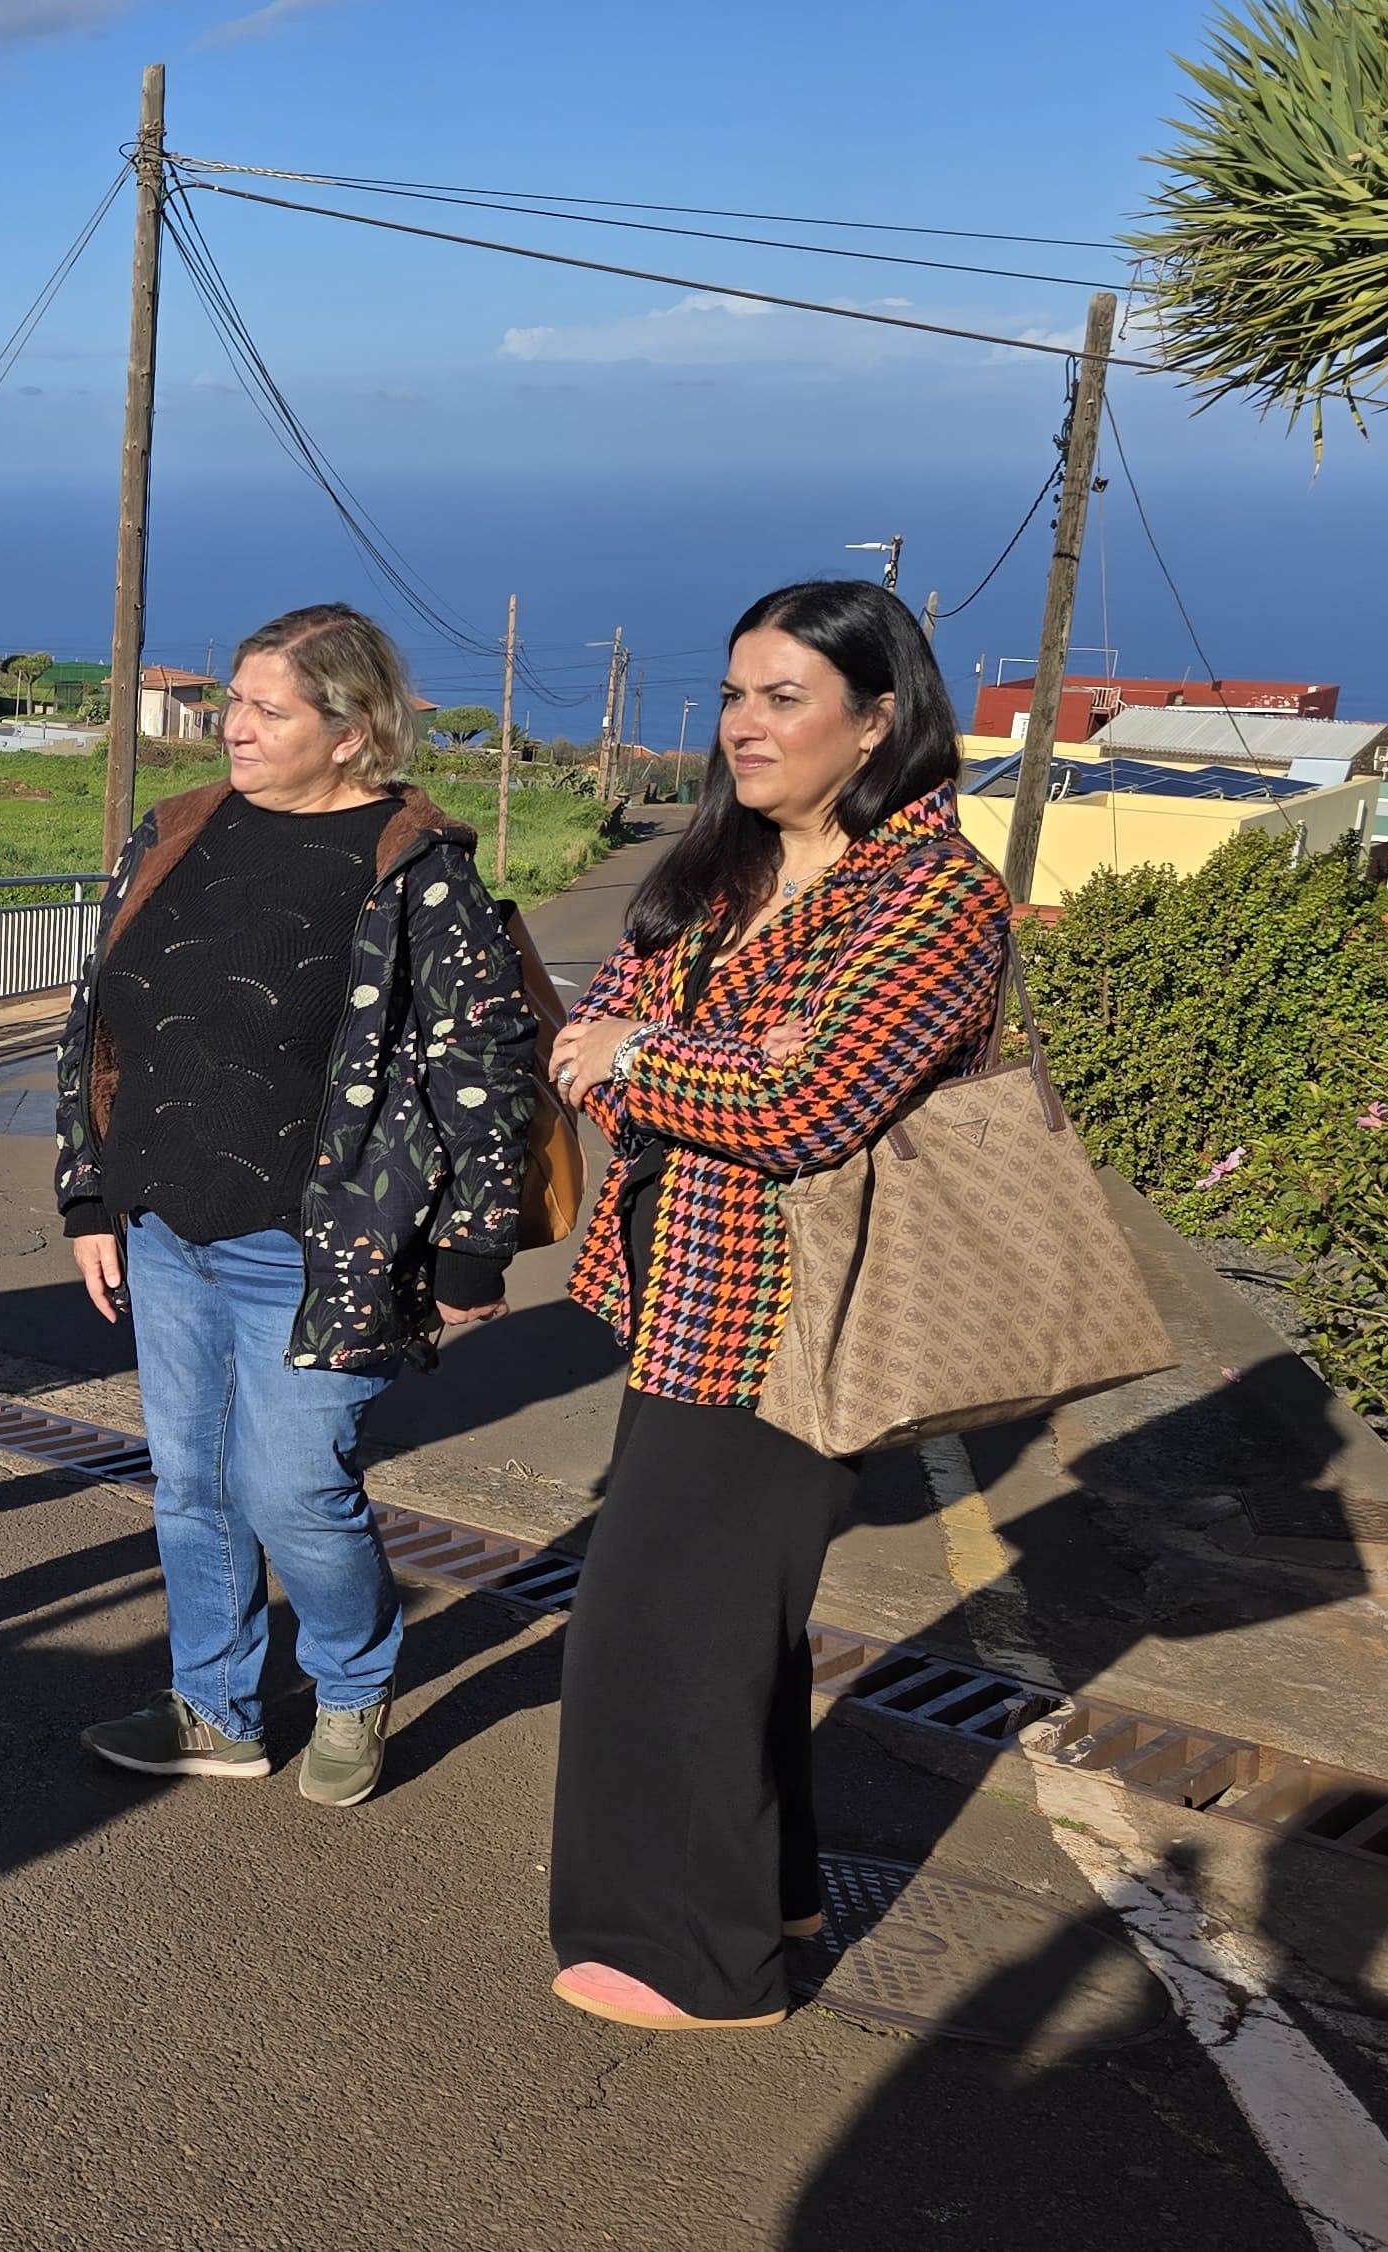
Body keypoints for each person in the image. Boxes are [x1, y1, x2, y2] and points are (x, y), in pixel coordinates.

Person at [543, 579, 1006, 2030]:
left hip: (806, 1316)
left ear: (879, 721)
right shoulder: (723, 872)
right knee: (730, 1623)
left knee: (655, 1631)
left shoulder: (938, 892)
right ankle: (780, 1891)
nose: (746, 726)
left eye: (784, 698)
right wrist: (673, 1053)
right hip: (680, 1295)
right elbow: (590, 1037)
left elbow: (813, 1102)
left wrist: (652, 1054)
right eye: (737, 694)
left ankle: (701, 1960)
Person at [51, 603, 537, 1807]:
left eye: (270, 709)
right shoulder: (176, 832)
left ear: (350, 728)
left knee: (292, 1488)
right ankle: (213, 1707)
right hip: (165, 1224)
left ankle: (354, 1680)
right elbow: (96, 1020)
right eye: (235, 699)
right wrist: (88, 1193)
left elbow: (486, 1060)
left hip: (319, 1248)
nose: (235, 726)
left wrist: (473, 1245)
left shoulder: (412, 868)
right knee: (191, 1488)